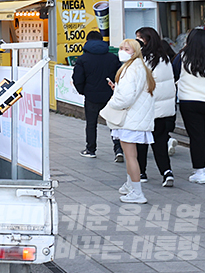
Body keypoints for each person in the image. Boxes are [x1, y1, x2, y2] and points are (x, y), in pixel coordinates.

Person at [106, 38, 156, 204]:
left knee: (130, 157)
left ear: (135, 51)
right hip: (137, 118)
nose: (122, 51)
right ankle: (130, 185)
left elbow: (126, 98)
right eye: (121, 48)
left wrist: (112, 102)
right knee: (132, 155)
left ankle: (137, 192)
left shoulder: (130, 69)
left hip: (130, 119)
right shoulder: (140, 67)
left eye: (126, 49)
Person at [134, 27, 177, 186]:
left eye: (139, 38)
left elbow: (139, 84)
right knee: (159, 142)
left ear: (145, 40)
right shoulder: (165, 58)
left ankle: (142, 172)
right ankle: (167, 172)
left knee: (141, 142)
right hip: (163, 110)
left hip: (147, 108)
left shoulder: (143, 60)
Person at [72, 30, 123, 160]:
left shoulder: (83, 59)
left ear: (87, 41)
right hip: (110, 95)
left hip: (91, 96)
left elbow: (77, 79)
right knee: (113, 122)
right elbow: (120, 76)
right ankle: (118, 149)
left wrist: (84, 91)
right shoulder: (113, 57)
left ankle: (91, 149)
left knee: (91, 123)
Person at [176, 28, 205, 184]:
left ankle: (200, 171)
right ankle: (203, 163)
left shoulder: (182, 57)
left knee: (196, 136)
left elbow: (174, 74)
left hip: (190, 102)